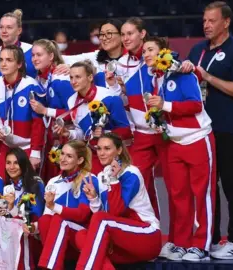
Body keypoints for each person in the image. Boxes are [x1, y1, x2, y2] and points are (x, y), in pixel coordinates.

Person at [182, 1, 233, 259]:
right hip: (201, 129)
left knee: (232, 184)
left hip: (227, 127)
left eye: (212, 21)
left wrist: (208, 78)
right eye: (204, 21)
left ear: (226, 22)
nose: (207, 25)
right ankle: (210, 237)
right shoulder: (198, 48)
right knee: (208, 186)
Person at [144, 36, 217, 261]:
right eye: (144, 50)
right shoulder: (155, 77)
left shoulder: (183, 72)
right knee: (178, 196)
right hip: (174, 142)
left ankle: (201, 245)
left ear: (163, 52)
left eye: (151, 50)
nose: (146, 54)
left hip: (197, 139)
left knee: (202, 194)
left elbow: (196, 104)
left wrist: (163, 105)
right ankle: (182, 243)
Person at [76, 132, 161, 269]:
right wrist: (94, 199)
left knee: (99, 220)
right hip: (121, 239)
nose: (102, 153)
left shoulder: (131, 173)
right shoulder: (103, 175)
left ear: (119, 150)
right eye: (99, 149)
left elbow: (115, 211)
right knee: (82, 235)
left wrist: (114, 180)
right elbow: (106, 213)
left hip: (146, 237)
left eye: (107, 148)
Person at [117, 17, 166, 229]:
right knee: (139, 183)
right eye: (123, 34)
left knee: (176, 186)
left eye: (130, 33)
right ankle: (147, 228)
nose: (126, 38)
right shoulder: (120, 64)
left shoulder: (160, 58)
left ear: (142, 34)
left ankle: (179, 239)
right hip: (139, 132)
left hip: (165, 131)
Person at [54, 60, 132, 174]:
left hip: (113, 155)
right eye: (71, 78)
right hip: (93, 154)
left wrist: (104, 135)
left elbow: (126, 131)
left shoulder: (109, 97)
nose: (73, 82)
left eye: (78, 77)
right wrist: (69, 134)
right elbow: (82, 133)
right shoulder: (71, 101)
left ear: (90, 77)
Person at [37, 140, 93, 270]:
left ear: (79, 160)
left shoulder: (88, 179)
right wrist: (32, 227)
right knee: (44, 220)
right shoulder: (53, 182)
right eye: (62, 154)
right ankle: (54, 263)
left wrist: (54, 206)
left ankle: (48, 266)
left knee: (58, 219)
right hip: (60, 239)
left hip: (81, 236)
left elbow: (82, 215)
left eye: (69, 156)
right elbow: (47, 215)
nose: (62, 159)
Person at [0, 45, 45, 178]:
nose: (3, 64)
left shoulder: (31, 86)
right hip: (6, 145)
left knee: (28, 190)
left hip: (27, 147)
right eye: (1, 59)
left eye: (9, 60)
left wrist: (35, 153)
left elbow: (38, 123)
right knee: (1, 186)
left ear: (19, 64)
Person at [29, 39, 75, 181]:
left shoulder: (61, 79)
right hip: (52, 138)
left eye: (39, 55)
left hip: (68, 138)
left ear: (50, 56)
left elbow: (75, 112)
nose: (35, 59)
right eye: (33, 55)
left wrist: (45, 111)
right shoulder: (40, 79)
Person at [3, 147, 45, 270]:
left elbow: (34, 216)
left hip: (31, 235)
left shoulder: (35, 183)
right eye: (8, 163)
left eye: (16, 163)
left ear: (23, 163)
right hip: (12, 236)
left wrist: (11, 208)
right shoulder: (7, 187)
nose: (11, 167)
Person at [62, 19, 125, 91]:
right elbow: (69, 59)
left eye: (109, 33)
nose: (104, 38)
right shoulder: (96, 56)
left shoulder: (132, 60)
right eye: (101, 34)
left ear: (121, 35)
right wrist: (68, 65)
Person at [0, 9, 37, 80]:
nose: (4, 31)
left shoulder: (32, 50)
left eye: (9, 27)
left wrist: (58, 68)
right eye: (1, 27)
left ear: (19, 31)